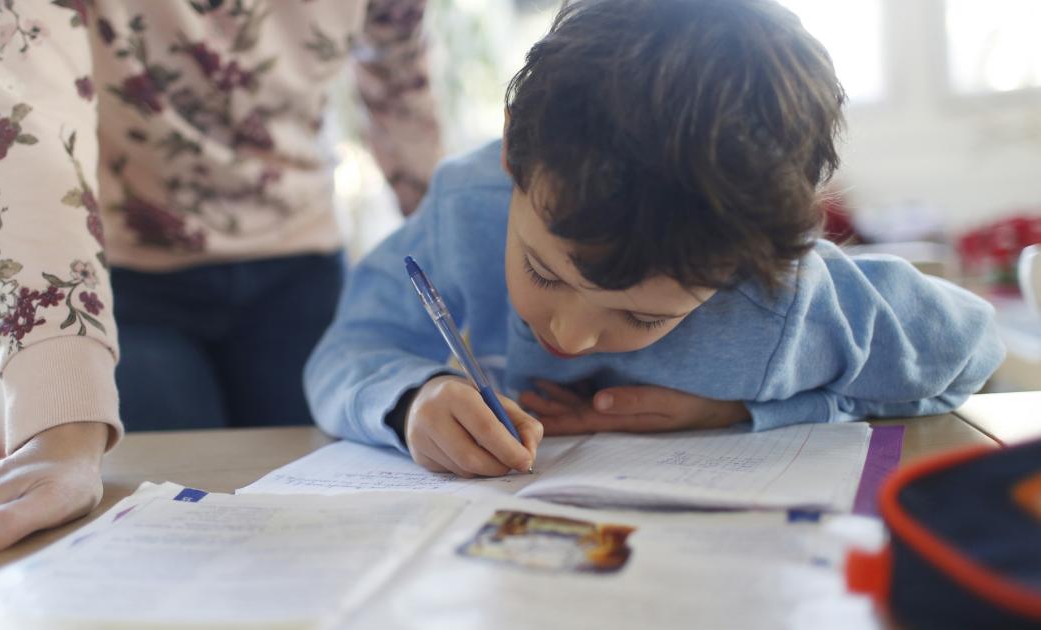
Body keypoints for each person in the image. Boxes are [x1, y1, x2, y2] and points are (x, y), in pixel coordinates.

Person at [304, 0, 1005, 477]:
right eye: (544, 272)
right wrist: (413, 399)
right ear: (515, 151)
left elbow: (969, 353)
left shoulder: (780, 295)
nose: (570, 335)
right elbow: (347, 351)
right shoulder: (469, 206)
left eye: (642, 316)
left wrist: (748, 410)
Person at [0, 0, 440, 573]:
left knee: (318, 546)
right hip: (125, 283)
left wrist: (458, 280)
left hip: (301, 267)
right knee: (169, 552)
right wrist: (59, 424)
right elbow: (28, 128)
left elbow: (400, 87)